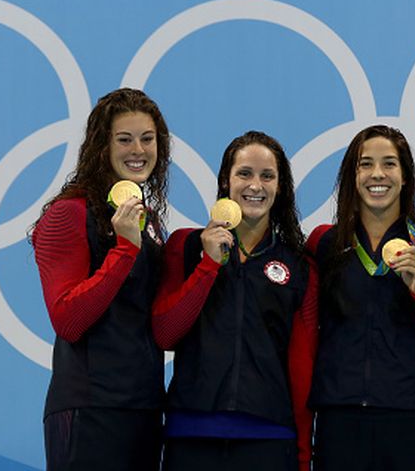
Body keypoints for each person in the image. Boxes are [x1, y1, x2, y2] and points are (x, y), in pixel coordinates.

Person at [152, 131, 317, 471]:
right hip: (191, 437)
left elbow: (302, 365)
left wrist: (303, 454)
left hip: (270, 438)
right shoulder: (186, 247)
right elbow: (165, 334)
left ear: (280, 187)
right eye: (244, 173)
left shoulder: (299, 266)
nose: (255, 185)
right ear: (226, 181)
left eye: (267, 176)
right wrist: (208, 265)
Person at [305, 125, 415, 471]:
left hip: (410, 418)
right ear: (352, 176)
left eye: (389, 163)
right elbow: (304, 335)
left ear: (405, 177)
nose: (378, 174)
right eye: (366, 164)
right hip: (339, 418)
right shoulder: (323, 242)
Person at [30, 88, 171, 471]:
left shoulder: (149, 222)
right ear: (101, 146)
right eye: (124, 139)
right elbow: (68, 320)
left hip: (144, 407)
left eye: (147, 139)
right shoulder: (68, 213)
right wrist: (124, 250)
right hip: (89, 408)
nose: (138, 150)